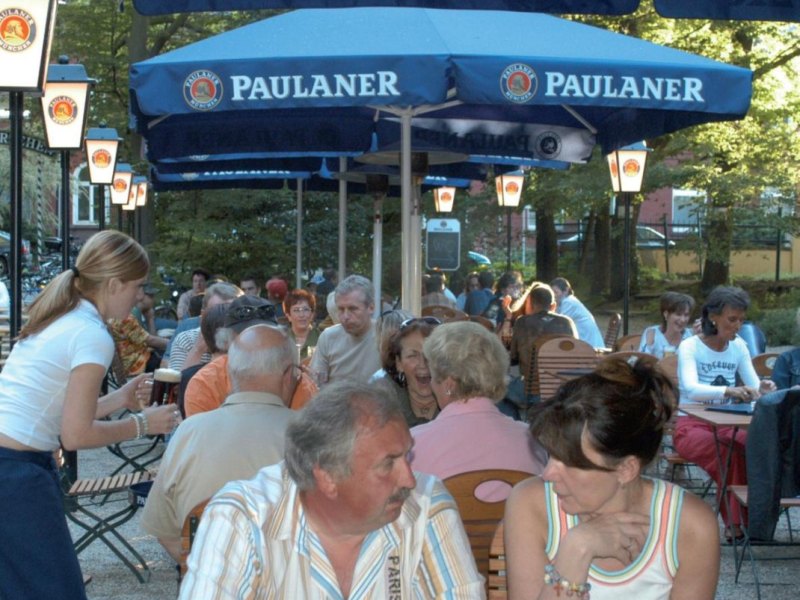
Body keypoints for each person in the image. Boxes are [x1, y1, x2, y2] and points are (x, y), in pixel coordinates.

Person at [179, 380, 483, 598]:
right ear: (326, 477)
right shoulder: (243, 518)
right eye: (388, 463)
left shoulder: (426, 507)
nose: (410, 480)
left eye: (407, 455)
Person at [0, 230, 179, 600]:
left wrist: (120, 400)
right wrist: (143, 424)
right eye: (137, 286)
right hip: (15, 472)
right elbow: (76, 436)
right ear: (114, 284)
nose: (139, 296)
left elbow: (57, 414)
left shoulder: (59, 316)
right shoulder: (90, 333)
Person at [504, 355, 721, 600]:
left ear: (626, 469)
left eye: (572, 462)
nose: (547, 473)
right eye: (552, 455)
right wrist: (576, 549)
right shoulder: (532, 505)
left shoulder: (689, 526)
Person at [142, 324, 300, 562]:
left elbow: (164, 531)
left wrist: (208, 573)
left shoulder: (188, 432)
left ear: (231, 372)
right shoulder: (313, 436)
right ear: (288, 375)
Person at [674, 286, 776, 537]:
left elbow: (752, 387)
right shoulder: (690, 346)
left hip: (728, 424)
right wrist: (728, 391)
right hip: (691, 426)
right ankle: (738, 525)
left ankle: (760, 517)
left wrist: (762, 388)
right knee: (727, 452)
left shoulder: (739, 346)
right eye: (732, 319)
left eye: (742, 320)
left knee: (761, 444)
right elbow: (691, 388)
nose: (738, 325)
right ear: (713, 317)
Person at [411, 321, 547, 500]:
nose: (431, 384)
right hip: (517, 527)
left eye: (433, 377)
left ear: (449, 385)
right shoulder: (534, 442)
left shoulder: (414, 445)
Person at [183, 295, 278, 417]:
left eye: (266, 334)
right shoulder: (206, 382)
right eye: (247, 335)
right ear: (227, 339)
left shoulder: (294, 377)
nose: (257, 341)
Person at [509, 283, 578, 404]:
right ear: (553, 305)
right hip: (561, 391)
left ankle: (517, 421)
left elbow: (513, 359)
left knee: (496, 389)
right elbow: (575, 354)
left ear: (530, 303)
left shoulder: (522, 323)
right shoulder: (567, 323)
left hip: (531, 391)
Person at [308, 274, 380, 385]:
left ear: (371, 307)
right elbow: (315, 385)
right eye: (341, 309)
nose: (345, 316)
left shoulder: (387, 337)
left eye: (353, 309)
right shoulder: (328, 338)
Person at [374, 317, 441, 426]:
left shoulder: (460, 403)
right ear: (398, 363)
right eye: (412, 355)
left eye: (431, 354)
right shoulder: (382, 403)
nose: (423, 364)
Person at [166, 282, 242, 372]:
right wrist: (198, 349)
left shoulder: (248, 340)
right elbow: (177, 383)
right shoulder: (187, 340)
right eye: (215, 312)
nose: (222, 318)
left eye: (230, 313)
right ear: (202, 316)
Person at [550, 277, 605, 349]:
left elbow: (558, 323)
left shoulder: (569, 302)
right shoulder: (563, 302)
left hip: (590, 346)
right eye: (552, 293)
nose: (554, 296)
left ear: (566, 290)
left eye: (556, 292)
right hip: (586, 343)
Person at [639, 291, 695, 358]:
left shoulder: (691, 335)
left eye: (686, 315)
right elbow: (640, 361)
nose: (683, 320)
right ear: (666, 314)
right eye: (678, 314)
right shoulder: (652, 333)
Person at [282, 288, 320, 360]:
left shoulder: (322, 338)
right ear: (288, 316)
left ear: (312, 314)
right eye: (296, 310)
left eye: (305, 309)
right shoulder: (281, 339)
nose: (301, 315)